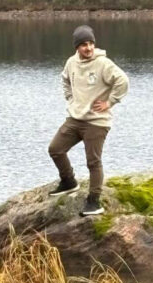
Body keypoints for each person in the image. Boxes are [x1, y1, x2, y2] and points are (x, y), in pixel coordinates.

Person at [48, 24, 129, 216]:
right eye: (84, 44)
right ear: (77, 47)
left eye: (91, 43)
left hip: (97, 121)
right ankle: (69, 182)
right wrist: (70, 98)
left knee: (93, 162)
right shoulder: (71, 62)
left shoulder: (103, 64)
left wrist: (110, 102)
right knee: (55, 149)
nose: (89, 48)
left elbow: (123, 81)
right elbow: (65, 79)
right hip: (76, 118)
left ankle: (94, 201)